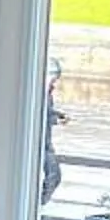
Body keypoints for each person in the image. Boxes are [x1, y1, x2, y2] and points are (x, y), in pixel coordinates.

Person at [40, 57, 68, 209]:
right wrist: (55, 120)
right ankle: (37, 205)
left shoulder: (48, 93)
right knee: (53, 174)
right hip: (40, 143)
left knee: (54, 176)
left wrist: (58, 115)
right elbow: (38, 115)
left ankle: (38, 205)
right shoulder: (38, 92)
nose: (55, 83)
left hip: (46, 142)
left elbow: (47, 112)